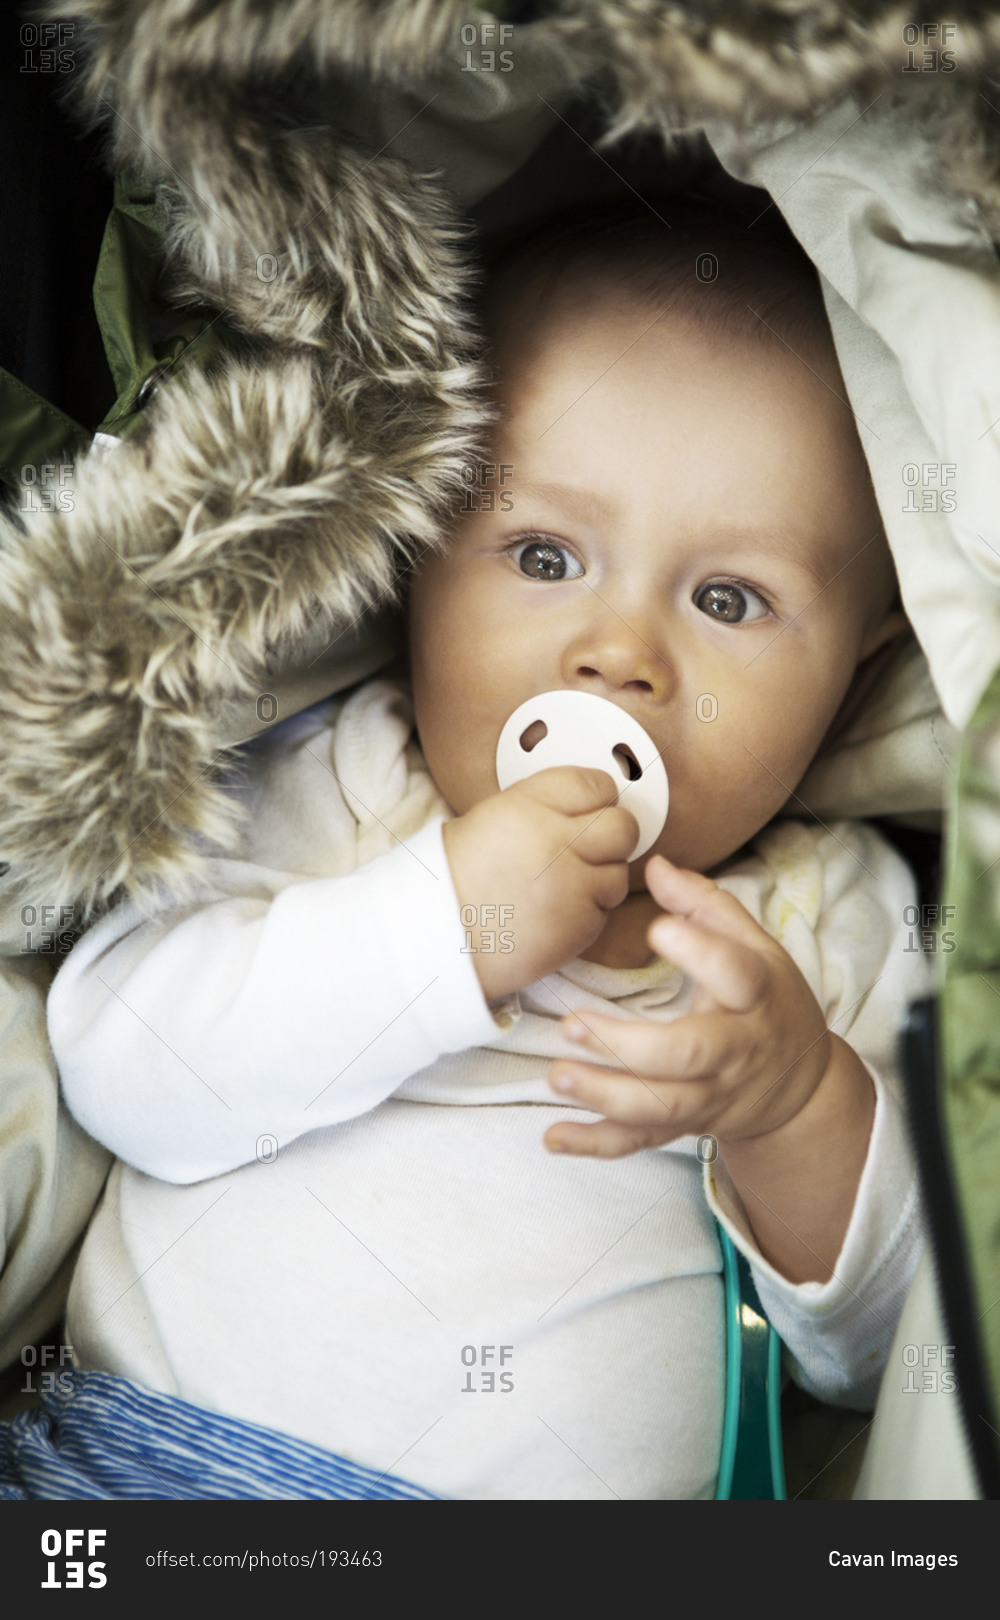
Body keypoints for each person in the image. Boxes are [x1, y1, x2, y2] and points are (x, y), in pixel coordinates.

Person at [45, 197, 930, 1499]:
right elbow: (123, 1075)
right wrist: (441, 926)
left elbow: (886, 1365)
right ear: (416, 560)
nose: (618, 653)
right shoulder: (344, 777)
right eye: (543, 553)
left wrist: (791, 1109)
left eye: (729, 598)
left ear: (855, 665)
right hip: (152, 1476)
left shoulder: (817, 921)